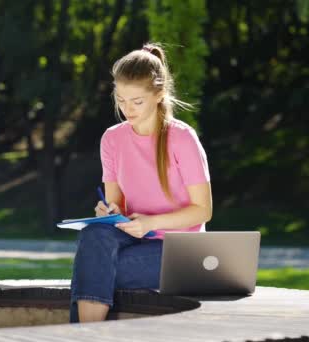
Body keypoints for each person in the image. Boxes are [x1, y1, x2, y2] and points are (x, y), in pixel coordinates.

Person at [69, 42, 213, 323]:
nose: (127, 109)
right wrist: (108, 214)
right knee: (92, 236)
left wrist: (150, 222)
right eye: (121, 100)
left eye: (137, 101)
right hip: (133, 239)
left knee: (93, 269)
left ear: (159, 94)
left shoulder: (182, 138)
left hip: (180, 250)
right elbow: (117, 205)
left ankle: (84, 335)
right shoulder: (112, 139)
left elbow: (202, 211)